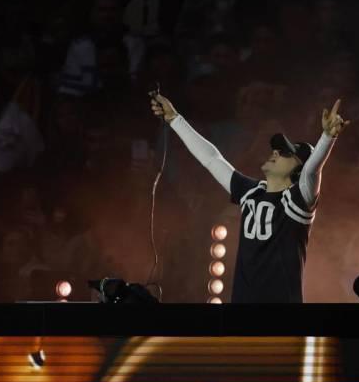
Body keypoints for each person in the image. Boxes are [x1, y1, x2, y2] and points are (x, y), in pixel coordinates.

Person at [149, 92, 348, 303]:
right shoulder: (251, 192)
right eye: (278, 150)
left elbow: (312, 171)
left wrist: (327, 137)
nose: (275, 153)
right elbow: (212, 159)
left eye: (286, 154)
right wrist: (174, 118)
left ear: (298, 172)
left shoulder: (298, 200)